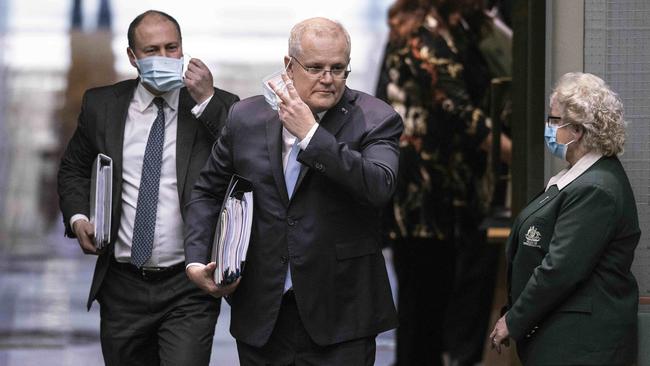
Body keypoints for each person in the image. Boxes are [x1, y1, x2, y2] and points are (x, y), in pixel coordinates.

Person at [184, 17, 401, 366]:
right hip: (262, 312)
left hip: (341, 315)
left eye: (338, 68)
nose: (328, 79)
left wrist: (312, 136)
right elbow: (208, 190)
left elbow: (379, 185)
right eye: (315, 68)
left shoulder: (376, 118)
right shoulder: (246, 117)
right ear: (289, 65)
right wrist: (196, 259)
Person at [57, 10, 239, 365]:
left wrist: (206, 102)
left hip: (189, 284)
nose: (165, 58)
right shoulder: (102, 105)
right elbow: (74, 168)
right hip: (122, 285)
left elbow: (241, 162)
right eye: (152, 50)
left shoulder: (215, 106)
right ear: (132, 57)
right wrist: (79, 218)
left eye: (172, 48)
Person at [375, 0, 511, 364]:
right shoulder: (424, 38)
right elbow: (460, 109)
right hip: (423, 197)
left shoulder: (445, 30)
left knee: (430, 312)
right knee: (422, 317)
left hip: (441, 194)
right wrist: (521, 152)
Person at [490, 72, 640, 365]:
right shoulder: (576, 178)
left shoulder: (596, 188)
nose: (549, 127)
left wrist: (514, 319)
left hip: (581, 345)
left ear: (579, 131)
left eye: (555, 121)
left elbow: (559, 270)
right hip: (562, 339)